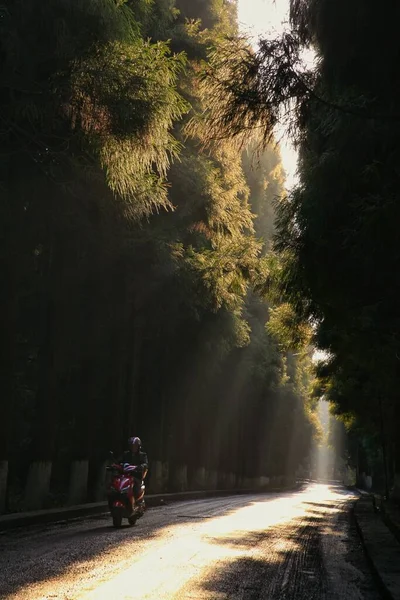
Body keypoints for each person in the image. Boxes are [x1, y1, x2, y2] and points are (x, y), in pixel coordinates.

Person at [121, 436, 148, 503]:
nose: (133, 447)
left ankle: (137, 501)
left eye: (135, 446)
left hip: (136, 476)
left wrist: (140, 466)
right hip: (125, 475)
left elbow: (145, 463)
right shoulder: (126, 454)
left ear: (138, 446)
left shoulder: (143, 455)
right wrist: (114, 465)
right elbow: (119, 461)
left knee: (136, 487)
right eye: (132, 446)